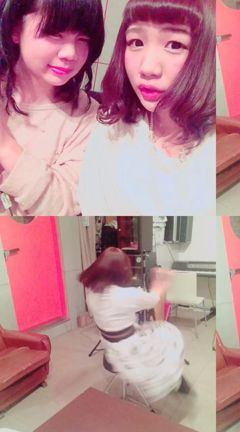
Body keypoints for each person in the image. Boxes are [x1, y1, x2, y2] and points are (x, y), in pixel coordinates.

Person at [78, 0, 216, 216]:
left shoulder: (214, 146)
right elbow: (91, 203)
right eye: (136, 42)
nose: (148, 67)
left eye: (175, 45)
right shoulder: (112, 129)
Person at [0, 0, 104, 216]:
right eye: (55, 34)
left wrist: (6, 147)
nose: (71, 53)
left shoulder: (89, 117)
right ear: (16, 29)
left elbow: (65, 205)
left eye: (83, 39)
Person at [80, 247, 189, 404]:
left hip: (110, 347)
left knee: (154, 333)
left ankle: (174, 378)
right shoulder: (123, 295)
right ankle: (174, 380)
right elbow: (153, 299)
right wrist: (161, 282)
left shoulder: (92, 293)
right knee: (169, 335)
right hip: (127, 350)